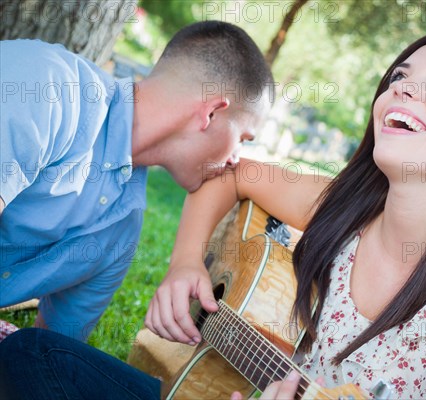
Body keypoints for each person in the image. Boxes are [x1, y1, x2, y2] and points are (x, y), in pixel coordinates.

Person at [0, 29, 426, 399]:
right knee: (36, 357)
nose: (403, 89)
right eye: (399, 77)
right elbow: (232, 176)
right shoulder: (346, 208)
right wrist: (187, 263)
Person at [0, 21, 274, 342]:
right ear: (211, 113)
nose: (236, 159)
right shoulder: (48, 89)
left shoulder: (121, 232)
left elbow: (49, 355)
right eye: (243, 137)